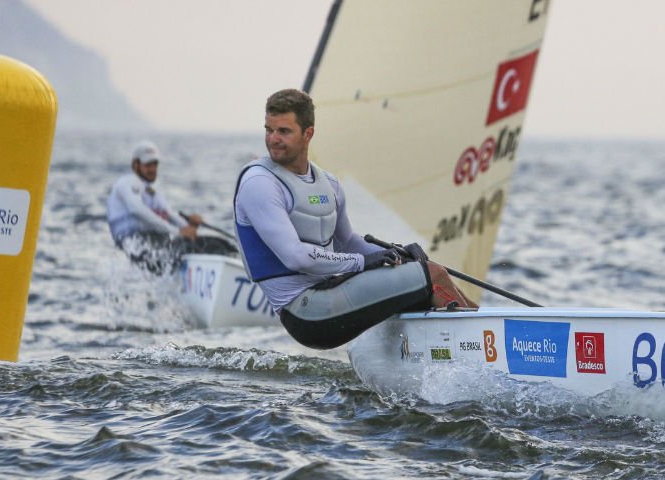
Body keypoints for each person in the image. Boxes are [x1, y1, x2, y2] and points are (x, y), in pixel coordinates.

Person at [233, 88, 475, 349]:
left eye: (283, 131)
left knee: (422, 271)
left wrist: (397, 254)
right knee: (432, 275)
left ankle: (459, 342)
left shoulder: (328, 183)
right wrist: (362, 262)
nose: (273, 139)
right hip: (304, 313)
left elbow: (346, 242)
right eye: (269, 130)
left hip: (328, 293)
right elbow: (296, 257)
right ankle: (480, 339)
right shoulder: (259, 183)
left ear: (308, 133)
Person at [106, 140, 237, 273]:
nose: (152, 169)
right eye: (148, 165)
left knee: (214, 243)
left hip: (154, 241)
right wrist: (177, 231)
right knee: (186, 246)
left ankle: (235, 265)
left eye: (155, 164)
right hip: (134, 242)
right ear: (135, 165)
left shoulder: (152, 192)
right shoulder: (126, 183)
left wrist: (191, 227)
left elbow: (170, 215)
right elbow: (136, 210)